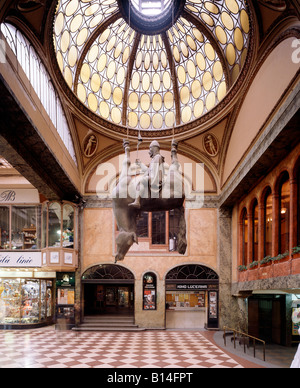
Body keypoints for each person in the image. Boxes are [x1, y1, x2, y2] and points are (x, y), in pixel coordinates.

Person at [129, 140, 165, 209]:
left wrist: (148, 177)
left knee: (141, 181)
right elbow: (148, 170)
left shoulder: (157, 157)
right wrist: (140, 163)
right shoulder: (154, 159)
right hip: (152, 177)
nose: (149, 151)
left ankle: (137, 201)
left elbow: (154, 173)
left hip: (155, 178)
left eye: (150, 148)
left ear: (154, 148)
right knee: (142, 180)